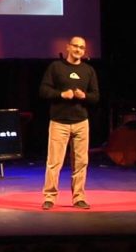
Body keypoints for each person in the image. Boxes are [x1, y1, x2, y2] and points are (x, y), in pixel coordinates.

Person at [39, 36, 99, 210]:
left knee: (81, 162)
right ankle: (49, 197)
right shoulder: (56, 67)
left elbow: (96, 96)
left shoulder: (88, 70)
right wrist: (61, 94)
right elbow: (43, 90)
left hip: (81, 122)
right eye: (75, 46)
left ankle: (79, 197)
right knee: (54, 162)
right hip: (59, 122)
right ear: (68, 47)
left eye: (82, 47)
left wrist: (84, 96)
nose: (79, 50)